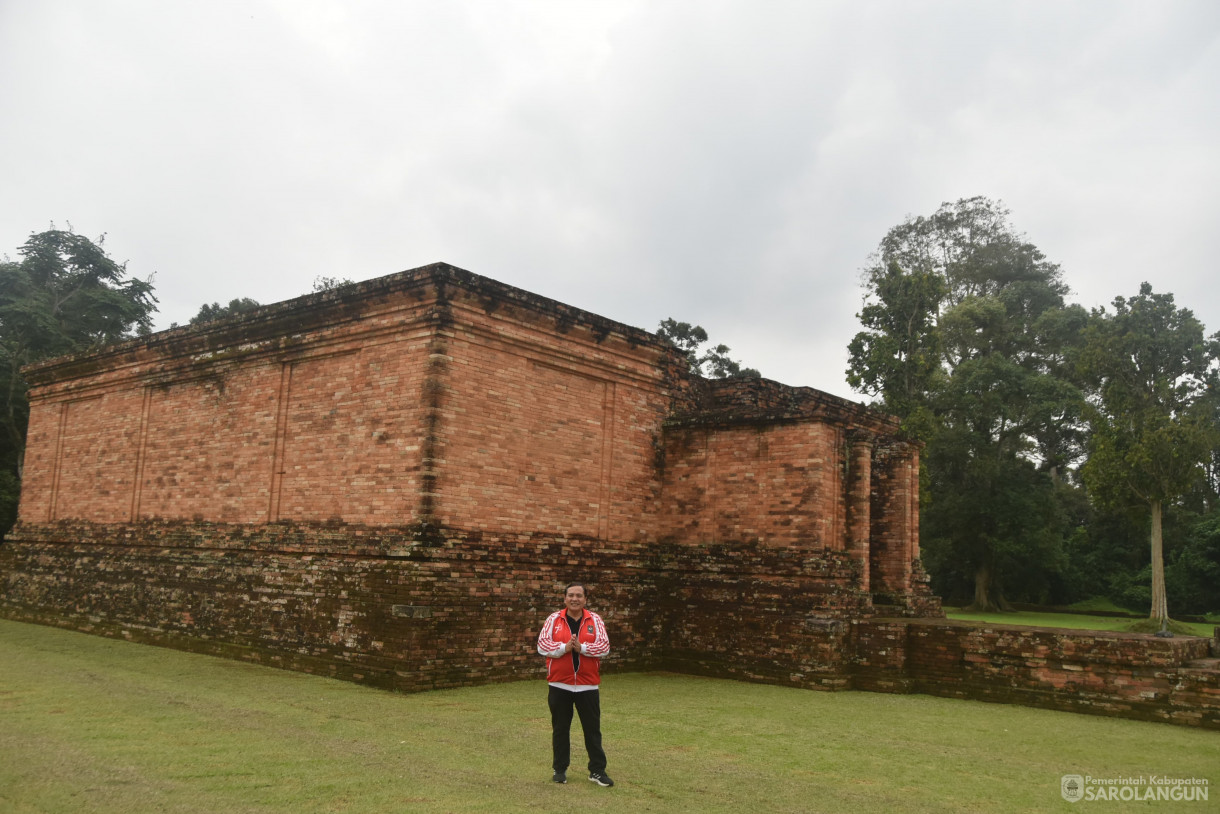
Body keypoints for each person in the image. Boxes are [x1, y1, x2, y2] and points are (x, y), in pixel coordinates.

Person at [536, 581, 614, 787]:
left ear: (585, 599)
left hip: (588, 686)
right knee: (561, 729)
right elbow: (542, 645)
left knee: (592, 730)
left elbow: (604, 647)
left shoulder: (594, 619)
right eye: (571, 595)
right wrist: (564, 647)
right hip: (560, 685)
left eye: (579, 595)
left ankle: (597, 771)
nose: (574, 599)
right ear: (564, 598)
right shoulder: (553, 619)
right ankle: (559, 769)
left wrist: (582, 648)